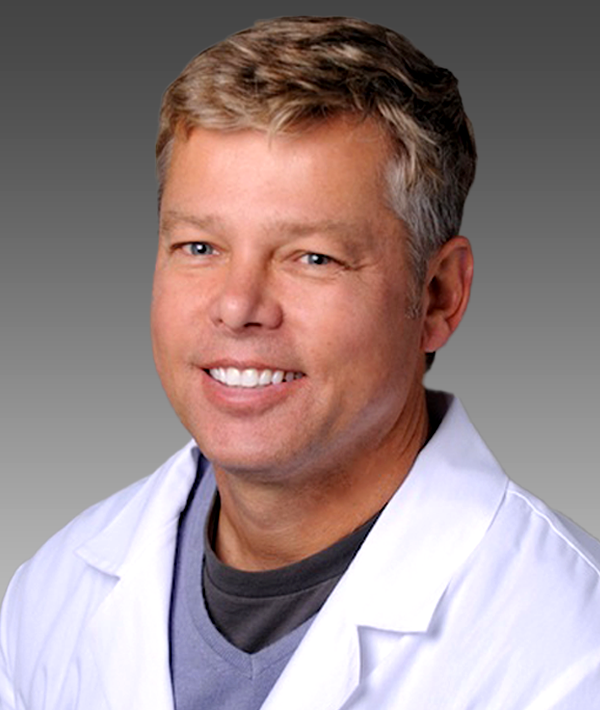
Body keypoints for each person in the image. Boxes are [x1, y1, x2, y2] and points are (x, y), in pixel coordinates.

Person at [1, 15, 599, 710]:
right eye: (199, 247)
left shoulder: (569, 651)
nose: (237, 307)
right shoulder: (50, 595)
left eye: (313, 257)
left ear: (439, 295)